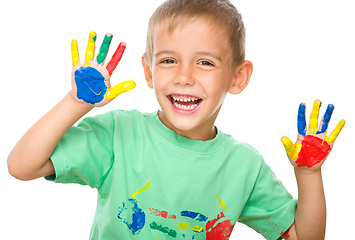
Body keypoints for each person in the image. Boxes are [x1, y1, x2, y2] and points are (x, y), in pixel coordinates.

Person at [7, 0, 345, 239]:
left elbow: (303, 237)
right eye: (169, 60)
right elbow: (22, 166)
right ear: (148, 70)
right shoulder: (119, 135)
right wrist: (75, 103)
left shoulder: (245, 165)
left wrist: (309, 173)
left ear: (237, 77)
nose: (184, 77)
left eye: (205, 63)